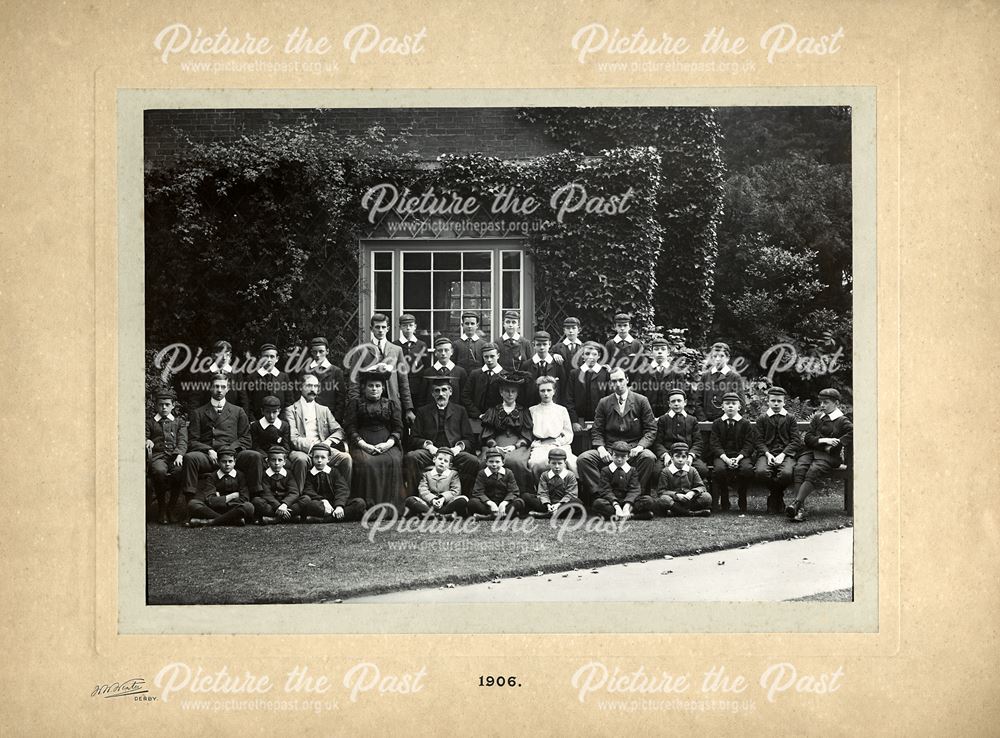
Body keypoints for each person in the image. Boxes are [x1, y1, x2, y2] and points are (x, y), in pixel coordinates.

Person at [576, 368, 658, 504]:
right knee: (584, 459)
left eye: (621, 380)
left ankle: (635, 496)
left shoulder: (641, 400)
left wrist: (640, 447)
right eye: (614, 381)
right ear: (610, 383)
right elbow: (597, 430)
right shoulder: (604, 402)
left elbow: (651, 429)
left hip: (632, 450)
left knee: (648, 457)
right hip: (610, 450)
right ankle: (603, 496)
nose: (618, 384)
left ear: (627, 380)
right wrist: (601, 448)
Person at [182, 374, 262, 507]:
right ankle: (190, 503)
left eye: (223, 387)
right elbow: (192, 440)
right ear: (210, 388)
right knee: (190, 458)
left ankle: (256, 500)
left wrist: (231, 450)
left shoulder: (238, 411)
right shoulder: (199, 412)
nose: (219, 390)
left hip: (233, 455)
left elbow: (246, 439)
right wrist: (208, 450)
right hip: (210, 456)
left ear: (228, 389)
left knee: (255, 456)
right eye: (216, 386)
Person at [405, 376, 482, 496]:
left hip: (452, 452)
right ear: (432, 393)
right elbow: (413, 438)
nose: (441, 394)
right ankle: (415, 496)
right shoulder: (423, 411)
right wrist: (428, 446)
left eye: (444, 390)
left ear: (450, 392)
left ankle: (464, 497)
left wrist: (458, 448)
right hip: (431, 453)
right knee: (411, 457)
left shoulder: (460, 411)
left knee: (473, 461)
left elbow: (469, 439)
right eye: (437, 390)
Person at [787, 388, 853, 522]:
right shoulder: (818, 418)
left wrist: (839, 442)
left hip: (828, 457)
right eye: (821, 402)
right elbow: (808, 438)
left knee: (814, 470)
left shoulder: (842, 420)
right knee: (799, 468)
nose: (822, 405)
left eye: (826, 403)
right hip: (810, 451)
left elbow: (854, 432)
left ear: (836, 404)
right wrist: (824, 440)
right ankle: (799, 509)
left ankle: (796, 505)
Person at [344, 369, 405, 509]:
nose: (374, 389)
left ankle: (391, 507)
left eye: (377, 386)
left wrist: (388, 444)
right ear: (364, 388)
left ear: (383, 388)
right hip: (362, 441)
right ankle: (367, 506)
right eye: (370, 386)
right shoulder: (356, 404)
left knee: (394, 460)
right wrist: (363, 445)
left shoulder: (390, 404)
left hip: (387, 442)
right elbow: (350, 427)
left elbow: (398, 428)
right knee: (366, 463)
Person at [285, 374, 352, 491]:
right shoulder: (291, 410)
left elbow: (339, 430)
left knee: (345, 458)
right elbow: (293, 438)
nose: (313, 389)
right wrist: (314, 447)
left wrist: (327, 442)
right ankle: (300, 497)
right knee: (301, 460)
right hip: (302, 451)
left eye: (316, 386)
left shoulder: (323, 410)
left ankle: (343, 495)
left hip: (324, 449)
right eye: (309, 385)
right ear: (301, 387)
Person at [346, 313, 416, 426]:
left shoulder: (396, 350)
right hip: (368, 404)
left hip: (392, 401)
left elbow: (403, 381)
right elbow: (354, 380)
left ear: (388, 329)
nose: (380, 330)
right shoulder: (361, 351)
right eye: (377, 327)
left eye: (383, 327)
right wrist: (355, 405)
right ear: (371, 329)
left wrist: (408, 408)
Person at [478, 371, 534, 494]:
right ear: (501, 392)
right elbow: (488, 433)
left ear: (517, 393)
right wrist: (495, 446)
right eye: (507, 391)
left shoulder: (523, 411)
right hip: (495, 443)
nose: (510, 394)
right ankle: (489, 494)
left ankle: (519, 494)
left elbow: (526, 433)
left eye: (513, 391)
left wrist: (515, 446)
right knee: (485, 460)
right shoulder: (493, 411)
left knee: (516, 462)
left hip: (518, 444)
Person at [754, 386, 803, 513]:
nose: (776, 404)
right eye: (773, 400)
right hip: (767, 454)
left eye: (779, 401)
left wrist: (783, 454)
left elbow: (795, 441)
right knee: (761, 472)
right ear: (768, 401)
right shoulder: (762, 419)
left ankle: (774, 497)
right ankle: (777, 497)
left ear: (784, 402)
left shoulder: (790, 418)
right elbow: (758, 441)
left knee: (786, 473)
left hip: (786, 454)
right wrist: (767, 454)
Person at [709, 392, 757, 512]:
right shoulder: (717, 423)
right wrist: (725, 459)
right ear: (722, 407)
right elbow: (715, 444)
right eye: (727, 404)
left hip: (741, 455)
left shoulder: (745, 423)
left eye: (733, 404)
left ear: (739, 407)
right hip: (722, 456)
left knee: (747, 469)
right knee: (719, 469)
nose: (730, 406)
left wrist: (739, 458)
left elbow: (749, 444)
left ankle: (742, 496)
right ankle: (724, 496)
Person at [145, 389, 188, 524]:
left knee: (179, 471)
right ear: (156, 405)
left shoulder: (179, 422)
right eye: (161, 404)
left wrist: (180, 455)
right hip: (157, 456)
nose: (164, 407)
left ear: (173, 405)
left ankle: (171, 507)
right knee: (159, 471)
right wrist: (146, 440)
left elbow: (183, 440)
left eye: (167, 404)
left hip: (174, 456)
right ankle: (162, 508)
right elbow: (143, 434)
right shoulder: (150, 422)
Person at [186, 446, 255, 527]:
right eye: (224, 461)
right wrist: (231, 496)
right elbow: (210, 500)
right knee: (193, 503)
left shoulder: (240, 475)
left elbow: (244, 498)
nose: (227, 464)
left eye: (230, 461)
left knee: (249, 506)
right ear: (218, 462)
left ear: (235, 462)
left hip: (234, 509)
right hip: (215, 510)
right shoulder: (212, 476)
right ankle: (232, 520)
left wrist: (219, 499)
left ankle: (210, 522)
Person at [299, 443, 367, 523]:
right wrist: (323, 500)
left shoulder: (334, 472)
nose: (319, 460)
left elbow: (342, 489)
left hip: (335, 502)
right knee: (307, 503)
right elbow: (308, 490)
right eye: (316, 457)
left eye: (323, 457)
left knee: (359, 503)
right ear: (312, 458)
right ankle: (338, 516)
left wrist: (339, 506)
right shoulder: (310, 474)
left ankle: (324, 519)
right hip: (320, 504)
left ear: (328, 459)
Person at [652, 388, 710, 482]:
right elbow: (658, 442)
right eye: (673, 401)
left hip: (686, 455)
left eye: (679, 401)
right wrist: (665, 455)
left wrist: (691, 456)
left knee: (702, 470)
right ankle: (666, 491)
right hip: (669, 455)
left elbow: (698, 442)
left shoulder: (692, 420)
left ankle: (690, 489)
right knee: (657, 471)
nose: (676, 404)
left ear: (685, 402)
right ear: (669, 404)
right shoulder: (663, 420)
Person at [590, 441, 655, 520]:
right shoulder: (606, 470)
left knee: (648, 501)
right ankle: (632, 516)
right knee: (598, 503)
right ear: (611, 455)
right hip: (612, 502)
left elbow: (634, 489)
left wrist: (627, 506)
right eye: (616, 456)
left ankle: (617, 516)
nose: (619, 459)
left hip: (629, 502)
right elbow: (605, 490)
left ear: (628, 457)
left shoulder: (632, 470)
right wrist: (616, 506)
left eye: (623, 456)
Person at [565, 341, 611, 453]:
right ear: (582, 355)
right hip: (580, 421)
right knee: (579, 448)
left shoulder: (605, 374)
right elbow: (569, 399)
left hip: (599, 420)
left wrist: (604, 420)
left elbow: (609, 398)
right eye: (587, 354)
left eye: (594, 354)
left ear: (599, 356)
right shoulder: (575, 373)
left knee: (597, 447)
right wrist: (574, 421)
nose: (591, 357)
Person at [527, 376, 577, 478]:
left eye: (549, 390)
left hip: (559, 445)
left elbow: (568, 433)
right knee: (536, 463)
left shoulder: (561, 410)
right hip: (540, 446)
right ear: (539, 392)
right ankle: (540, 489)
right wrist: (537, 443)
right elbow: (528, 433)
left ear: (554, 391)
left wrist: (558, 442)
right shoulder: (532, 410)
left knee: (572, 463)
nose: (546, 393)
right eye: (542, 391)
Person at [404, 447, 469, 519]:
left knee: (463, 500)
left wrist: (442, 499)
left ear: (450, 465)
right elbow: (423, 490)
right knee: (410, 500)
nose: (442, 462)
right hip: (430, 504)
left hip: (446, 504)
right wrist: (433, 500)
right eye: (440, 459)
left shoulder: (453, 474)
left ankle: (431, 515)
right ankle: (439, 515)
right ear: (434, 460)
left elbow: (455, 491)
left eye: (445, 461)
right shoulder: (426, 474)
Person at [634, 336, 689, 417]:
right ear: (651, 352)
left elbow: (681, 396)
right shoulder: (643, 372)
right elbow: (637, 396)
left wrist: (669, 416)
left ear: (668, 352)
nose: (660, 352)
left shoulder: (676, 372)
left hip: (671, 417)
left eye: (663, 349)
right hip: (648, 416)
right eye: (656, 349)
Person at [653, 442, 712, 517]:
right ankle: (691, 513)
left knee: (706, 497)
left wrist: (692, 493)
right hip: (674, 501)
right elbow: (661, 491)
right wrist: (676, 495)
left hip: (689, 500)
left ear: (687, 458)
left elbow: (701, 487)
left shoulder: (692, 470)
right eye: (677, 456)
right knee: (663, 499)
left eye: (683, 457)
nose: (680, 459)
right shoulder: (666, 471)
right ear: (672, 457)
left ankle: (677, 512)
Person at [693, 341, 748, 422]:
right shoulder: (705, 377)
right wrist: (703, 420)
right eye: (714, 356)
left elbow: (741, 404)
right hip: (707, 422)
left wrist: (729, 419)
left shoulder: (734, 378)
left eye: (721, 356)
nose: (717, 359)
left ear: (727, 358)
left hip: (727, 422)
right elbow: (698, 401)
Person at [523, 447, 583, 518]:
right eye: (554, 463)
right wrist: (548, 504)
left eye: (560, 463)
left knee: (578, 502)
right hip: (547, 504)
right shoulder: (545, 475)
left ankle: (547, 514)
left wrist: (558, 504)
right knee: (525, 496)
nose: (557, 467)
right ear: (549, 463)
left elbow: (571, 494)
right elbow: (543, 492)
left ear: (565, 463)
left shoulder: (570, 475)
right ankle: (553, 512)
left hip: (563, 503)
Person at [241, 342, 294, 420]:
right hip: (258, 422)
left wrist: (282, 420)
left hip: (279, 422)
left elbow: (289, 401)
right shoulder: (252, 378)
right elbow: (248, 402)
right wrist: (252, 420)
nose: (269, 360)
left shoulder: (283, 377)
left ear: (277, 359)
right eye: (265, 356)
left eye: (272, 357)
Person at [468, 449, 524, 519]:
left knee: (519, 502)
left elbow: (513, 491)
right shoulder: (482, 473)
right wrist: (490, 503)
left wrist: (504, 503)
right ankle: (502, 516)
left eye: (497, 462)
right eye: (491, 462)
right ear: (486, 462)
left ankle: (488, 517)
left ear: (503, 462)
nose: (494, 464)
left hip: (504, 504)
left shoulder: (508, 473)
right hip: (488, 505)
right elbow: (478, 492)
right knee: (472, 502)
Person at [252, 445, 301, 524]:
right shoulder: (264, 475)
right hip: (272, 504)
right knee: (256, 501)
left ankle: (274, 519)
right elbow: (266, 493)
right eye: (273, 460)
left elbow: (294, 492)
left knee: (305, 499)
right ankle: (289, 517)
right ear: (268, 461)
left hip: (286, 504)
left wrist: (284, 504)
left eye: (280, 460)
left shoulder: (288, 474)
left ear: (284, 462)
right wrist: (278, 506)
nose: (276, 463)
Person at [301, 336, 346, 420]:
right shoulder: (305, 371)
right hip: (309, 415)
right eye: (315, 352)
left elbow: (340, 399)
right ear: (311, 352)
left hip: (330, 415)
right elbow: (300, 395)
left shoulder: (336, 372)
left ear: (327, 351)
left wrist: (336, 419)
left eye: (321, 351)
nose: (318, 355)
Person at [418, 336, 468, 407]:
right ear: (435, 353)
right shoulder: (428, 372)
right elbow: (422, 398)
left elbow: (464, 397)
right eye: (440, 350)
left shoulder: (460, 372)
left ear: (452, 352)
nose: (443, 353)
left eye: (446, 350)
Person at [394, 313, 429, 410]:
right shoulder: (395, 345)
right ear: (400, 327)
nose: (408, 328)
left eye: (411, 325)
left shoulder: (421, 345)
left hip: (418, 386)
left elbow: (426, 366)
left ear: (415, 327)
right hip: (400, 386)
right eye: (405, 326)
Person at [523, 331, 567, 407]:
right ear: (534, 345)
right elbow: (523, 389)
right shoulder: (527, 365)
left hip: (553, 405)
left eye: (544, 344)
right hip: (532, 406)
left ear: (549, 344)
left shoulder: (557, 364)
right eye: (538, 344)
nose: (542, 347)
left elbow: (563, 386)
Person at [463, 342, 505, 418]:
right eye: (486, 357)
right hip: (477, 419)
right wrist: (477, 414)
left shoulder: (505, 375)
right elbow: (465, 396)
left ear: (498, 356)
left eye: (492, 356)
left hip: (498, 418)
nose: (489, 360)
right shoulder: (475, 374)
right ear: (482, 357)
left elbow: (508, 399)